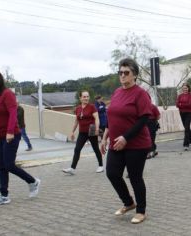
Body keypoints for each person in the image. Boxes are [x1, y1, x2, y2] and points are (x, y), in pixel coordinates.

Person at [101, 58, 151, 224]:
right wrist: (104, 137)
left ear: (134, 75)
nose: (122, 75)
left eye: (126, 72)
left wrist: (126, 137)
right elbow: (111, 117)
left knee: (135, 177)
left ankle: (141, 211)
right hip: (116, 142)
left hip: (136, 144)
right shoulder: (117, 92)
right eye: (120, 72)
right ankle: (128, 203)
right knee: (112, 173)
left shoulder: (140, 93)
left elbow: (144, 119)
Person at [0, 71, 40, 207]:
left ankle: (33, 181)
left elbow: (13, 113)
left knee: (9, 165)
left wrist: (10, 132)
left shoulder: (7, 94)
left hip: (11, 135)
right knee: (2, 166)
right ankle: (4, 196)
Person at [62, 90, 104, 175]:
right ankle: (72, 168)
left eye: (87, 96)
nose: (86, 98)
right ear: (80, 98)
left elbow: (97, 118)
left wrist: (97, 129)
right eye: (84, 97)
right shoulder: (78, 108)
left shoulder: (92, 107)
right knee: (77, 149)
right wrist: (72, 132)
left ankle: (101, 166)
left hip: (91, 131)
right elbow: (76, 122)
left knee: (95, 148)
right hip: (82, 132)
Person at [176, 83, 191, 151]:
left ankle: (186, 144)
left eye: (186, 88)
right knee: (186, 127)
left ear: (188, 88)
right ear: (182, 89)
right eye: (183, 88)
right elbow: (177, 104)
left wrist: (181, 104)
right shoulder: (180, 96)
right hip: (182, 113)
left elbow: (190, 104)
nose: (185, 89)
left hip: (189, 113)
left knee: (186, 128)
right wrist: (183, 104)